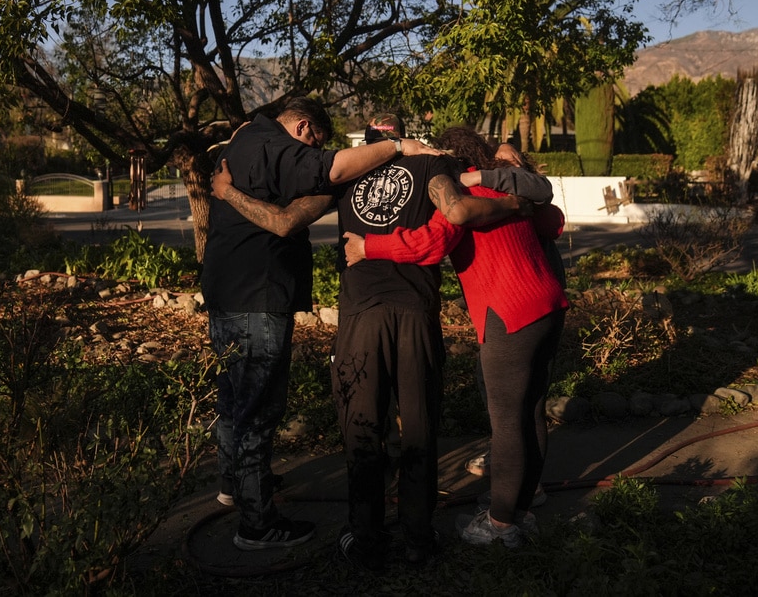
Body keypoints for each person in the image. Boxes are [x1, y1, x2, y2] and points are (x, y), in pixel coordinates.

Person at [209, 113, 529, 568]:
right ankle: (419, 537)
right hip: (415, 312)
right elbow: (459, 203)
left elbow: (282, 221)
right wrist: (514, 190)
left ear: (372, 141)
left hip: (361, 317)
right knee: (418, 427)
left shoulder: (346, 178)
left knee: (362, 428)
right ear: (405, 139)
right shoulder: (431, 168)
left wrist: (228, 193)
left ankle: (365, 538)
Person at [200, 99, 441, 551]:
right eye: (315, 143)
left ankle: (236, 485)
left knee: (234, 399)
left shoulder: (242, 142)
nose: (315, 154)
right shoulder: (275, 147)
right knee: (259, 407)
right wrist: (397, 146)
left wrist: (227, 192)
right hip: (259, 294)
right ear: (303, 128)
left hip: (226, 290)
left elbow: (284, 210)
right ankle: (256, 523)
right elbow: (304, 200)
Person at [343, 126, 569, 548]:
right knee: (532, 410)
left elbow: (428, 244)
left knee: (507, 423)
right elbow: (553, 222)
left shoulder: (460, 196)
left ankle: (501, 525)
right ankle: (521, 501)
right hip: (549, 306)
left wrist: (367, 248)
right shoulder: (505, 188)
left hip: (508, 314)